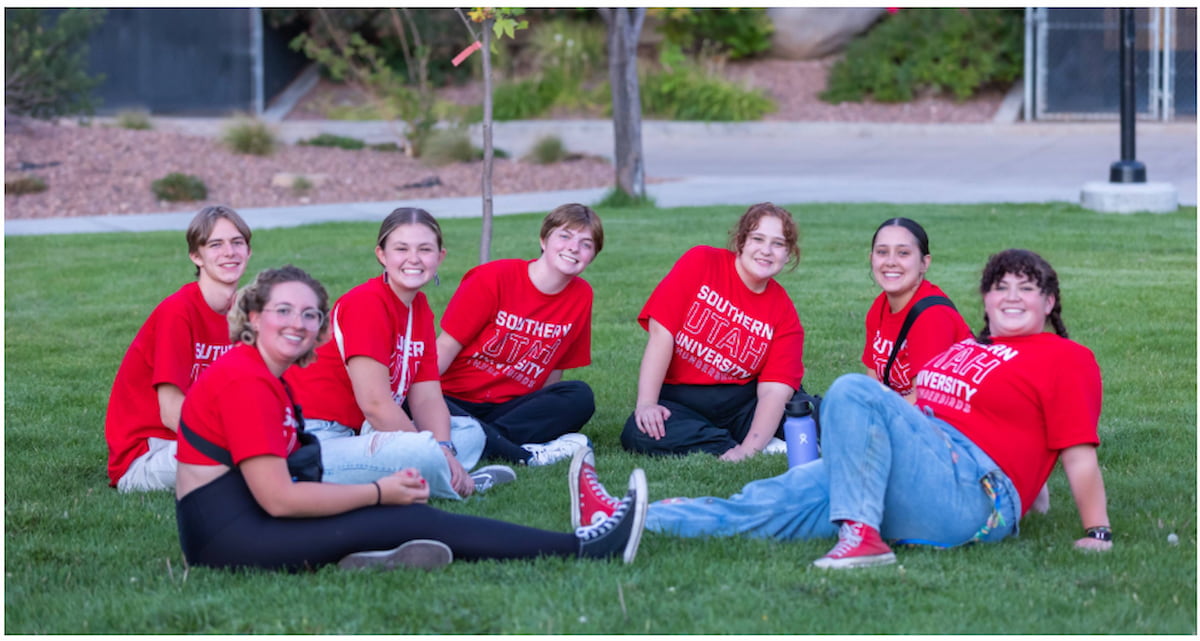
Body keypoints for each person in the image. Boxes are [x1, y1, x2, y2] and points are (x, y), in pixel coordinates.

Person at [576, 249, 1112, 568]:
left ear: (1050, 302)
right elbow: (1008, 423)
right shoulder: (971, 351)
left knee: (852, 391)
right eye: (1000, 288)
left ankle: (862, 539)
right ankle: (628, 519)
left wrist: (1097, 532)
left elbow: (1077, 452)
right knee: (767, 501)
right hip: (913, 477)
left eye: (1027, 288)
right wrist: (1033, 489)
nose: (1012, 296)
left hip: (969, 495)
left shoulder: (1065, 357)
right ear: (987, 300)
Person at [175, 265, 647, 571]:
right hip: (231, 541)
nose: (298, 322)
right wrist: (380, 491)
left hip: (244, 525)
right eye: (283, 310)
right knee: (416, 519)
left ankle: (368, 556)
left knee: (398, 514)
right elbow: (278, 498)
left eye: (310, 314)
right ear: (254, 316)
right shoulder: (245, 381)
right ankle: (587, 547)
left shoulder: (260, 374)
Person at [284, 208, 498, 500]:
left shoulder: (419, 308)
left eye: (425, 249)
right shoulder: (366, 304)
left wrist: (444, 448)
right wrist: (439, 453)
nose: (414, 259)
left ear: (440, 257)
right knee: (420, 449)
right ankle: (448, 481)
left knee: (470, 433)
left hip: (363, 433)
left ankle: (432, 472)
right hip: (316, 435)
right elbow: (375, 404)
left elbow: (427, 397)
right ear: (382, 255)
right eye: (401, 249)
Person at [620, 202, 806, 462]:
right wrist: (647, 403)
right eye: (758, 239)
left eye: (778, 244)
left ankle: (754, 441)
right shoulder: (701, 262)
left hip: (742, 400)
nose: (766, 250)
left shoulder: (784, 312)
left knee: (805, 413)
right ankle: (732, 443)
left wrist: (748, 451)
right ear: (741, 241)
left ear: (788, 254)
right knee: (637, 433)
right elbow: (662, 334)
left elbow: (774, 391)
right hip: (682, 398)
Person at [437, 204, 601, 467]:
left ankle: (475, 440)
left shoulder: (582, 296)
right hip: (453, 399)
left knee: (579, 396)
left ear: (592, 256)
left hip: (510, 406)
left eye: (586, 244)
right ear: (543, 239)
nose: (573, 247)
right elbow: (445, 346)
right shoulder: (493, 278)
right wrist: (421, 395)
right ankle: (520, 454)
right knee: (412, 397)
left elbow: (555, 368)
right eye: (565, 236)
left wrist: (546, 414)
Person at [105, 205, 252, 492]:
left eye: (237, 243)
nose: (230, 252)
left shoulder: (243, 314)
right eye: (215, 244)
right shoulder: (178, 312)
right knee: (256, 454)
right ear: (196, 256)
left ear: (248, 251)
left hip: (193, 442)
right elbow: (171, 413)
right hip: (149, 455)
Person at [862, 217, 972, 402]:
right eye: (882, 252)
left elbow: (925, 399)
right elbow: (873, 384)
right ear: (871, 258)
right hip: (906, 413)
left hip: (944, 421)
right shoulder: (880, 306)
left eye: (903, 253)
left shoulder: (932, 315)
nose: (890, 261)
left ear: (924, 263)